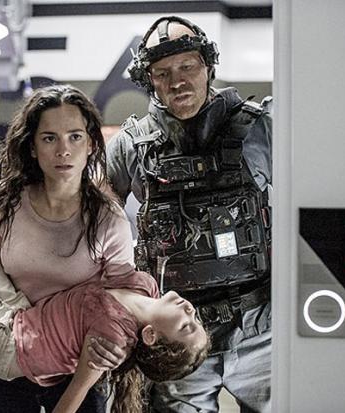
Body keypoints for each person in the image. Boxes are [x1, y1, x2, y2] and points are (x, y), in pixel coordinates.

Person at [0, 84, 206, 412]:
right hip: (12, 351)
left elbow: (127, 304)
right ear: (32, 147)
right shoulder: (4, 202)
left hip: (76, 366)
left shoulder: (108, 220)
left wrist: (122, 352)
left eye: (75, 137)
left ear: (91, 144)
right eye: (49, 138)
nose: (63, 150)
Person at [106, 16, 272, 413]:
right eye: (162, 73)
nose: (177, 81)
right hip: (175, 337)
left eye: (187, 66)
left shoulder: (262, 129)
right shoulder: (130, 147)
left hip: (260, 328)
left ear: (208, 67)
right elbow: (85, 222)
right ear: (148, 81)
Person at [0, 228, 209, 413]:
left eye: (186, 326)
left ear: (150, 335)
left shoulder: (111, 339)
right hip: (21, 316)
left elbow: (75, 395)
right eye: (196, 318)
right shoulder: (146, 287)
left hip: (0, 344)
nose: (190, 309)